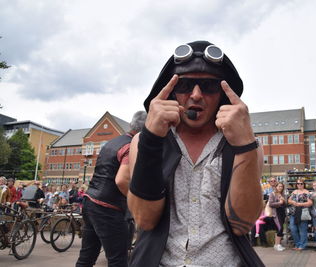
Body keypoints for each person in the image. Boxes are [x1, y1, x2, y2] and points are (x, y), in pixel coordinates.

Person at [127, 41, 264, 266]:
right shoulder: (143, 142)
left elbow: (243, 224)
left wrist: (245, 146)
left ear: (222, 93)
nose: (196, 95)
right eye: (185, 84)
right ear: (171, 91)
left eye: (209, 86)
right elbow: (144, 219)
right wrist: (151, 139)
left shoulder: (246, 145)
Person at [76, 110, 147, 267]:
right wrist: (136, 202)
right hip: (108, 208)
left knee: (87, 257)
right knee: (118, 260)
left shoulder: (112, 142)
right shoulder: (131, 147)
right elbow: (122, 180)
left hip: (90, 202)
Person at [288, 178, 312, 251]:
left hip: (303, 212)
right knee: (293, 228)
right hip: (294, 212)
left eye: (301, 183)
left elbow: (310, 203)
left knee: (302, 230)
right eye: (298, 183)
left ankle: (302, 245)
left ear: (304, 184)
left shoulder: (307, 192)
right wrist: (293, 202)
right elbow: (289, 200)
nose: (299, 185)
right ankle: (297, 244)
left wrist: (300, 204)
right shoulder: (294, 192)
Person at [268, 182, 286, 251]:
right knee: (280, 228)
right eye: (279, 186)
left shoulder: (283, 194)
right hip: (276, 213)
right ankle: (276, 245)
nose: (280, 188)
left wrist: (284, 201)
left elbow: (285, 205)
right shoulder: (272, 194)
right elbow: (270, 204)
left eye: (281, 186)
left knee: (281, 228)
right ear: (276, 187)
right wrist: (279, 203)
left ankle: (278, 244)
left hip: (282, 213)